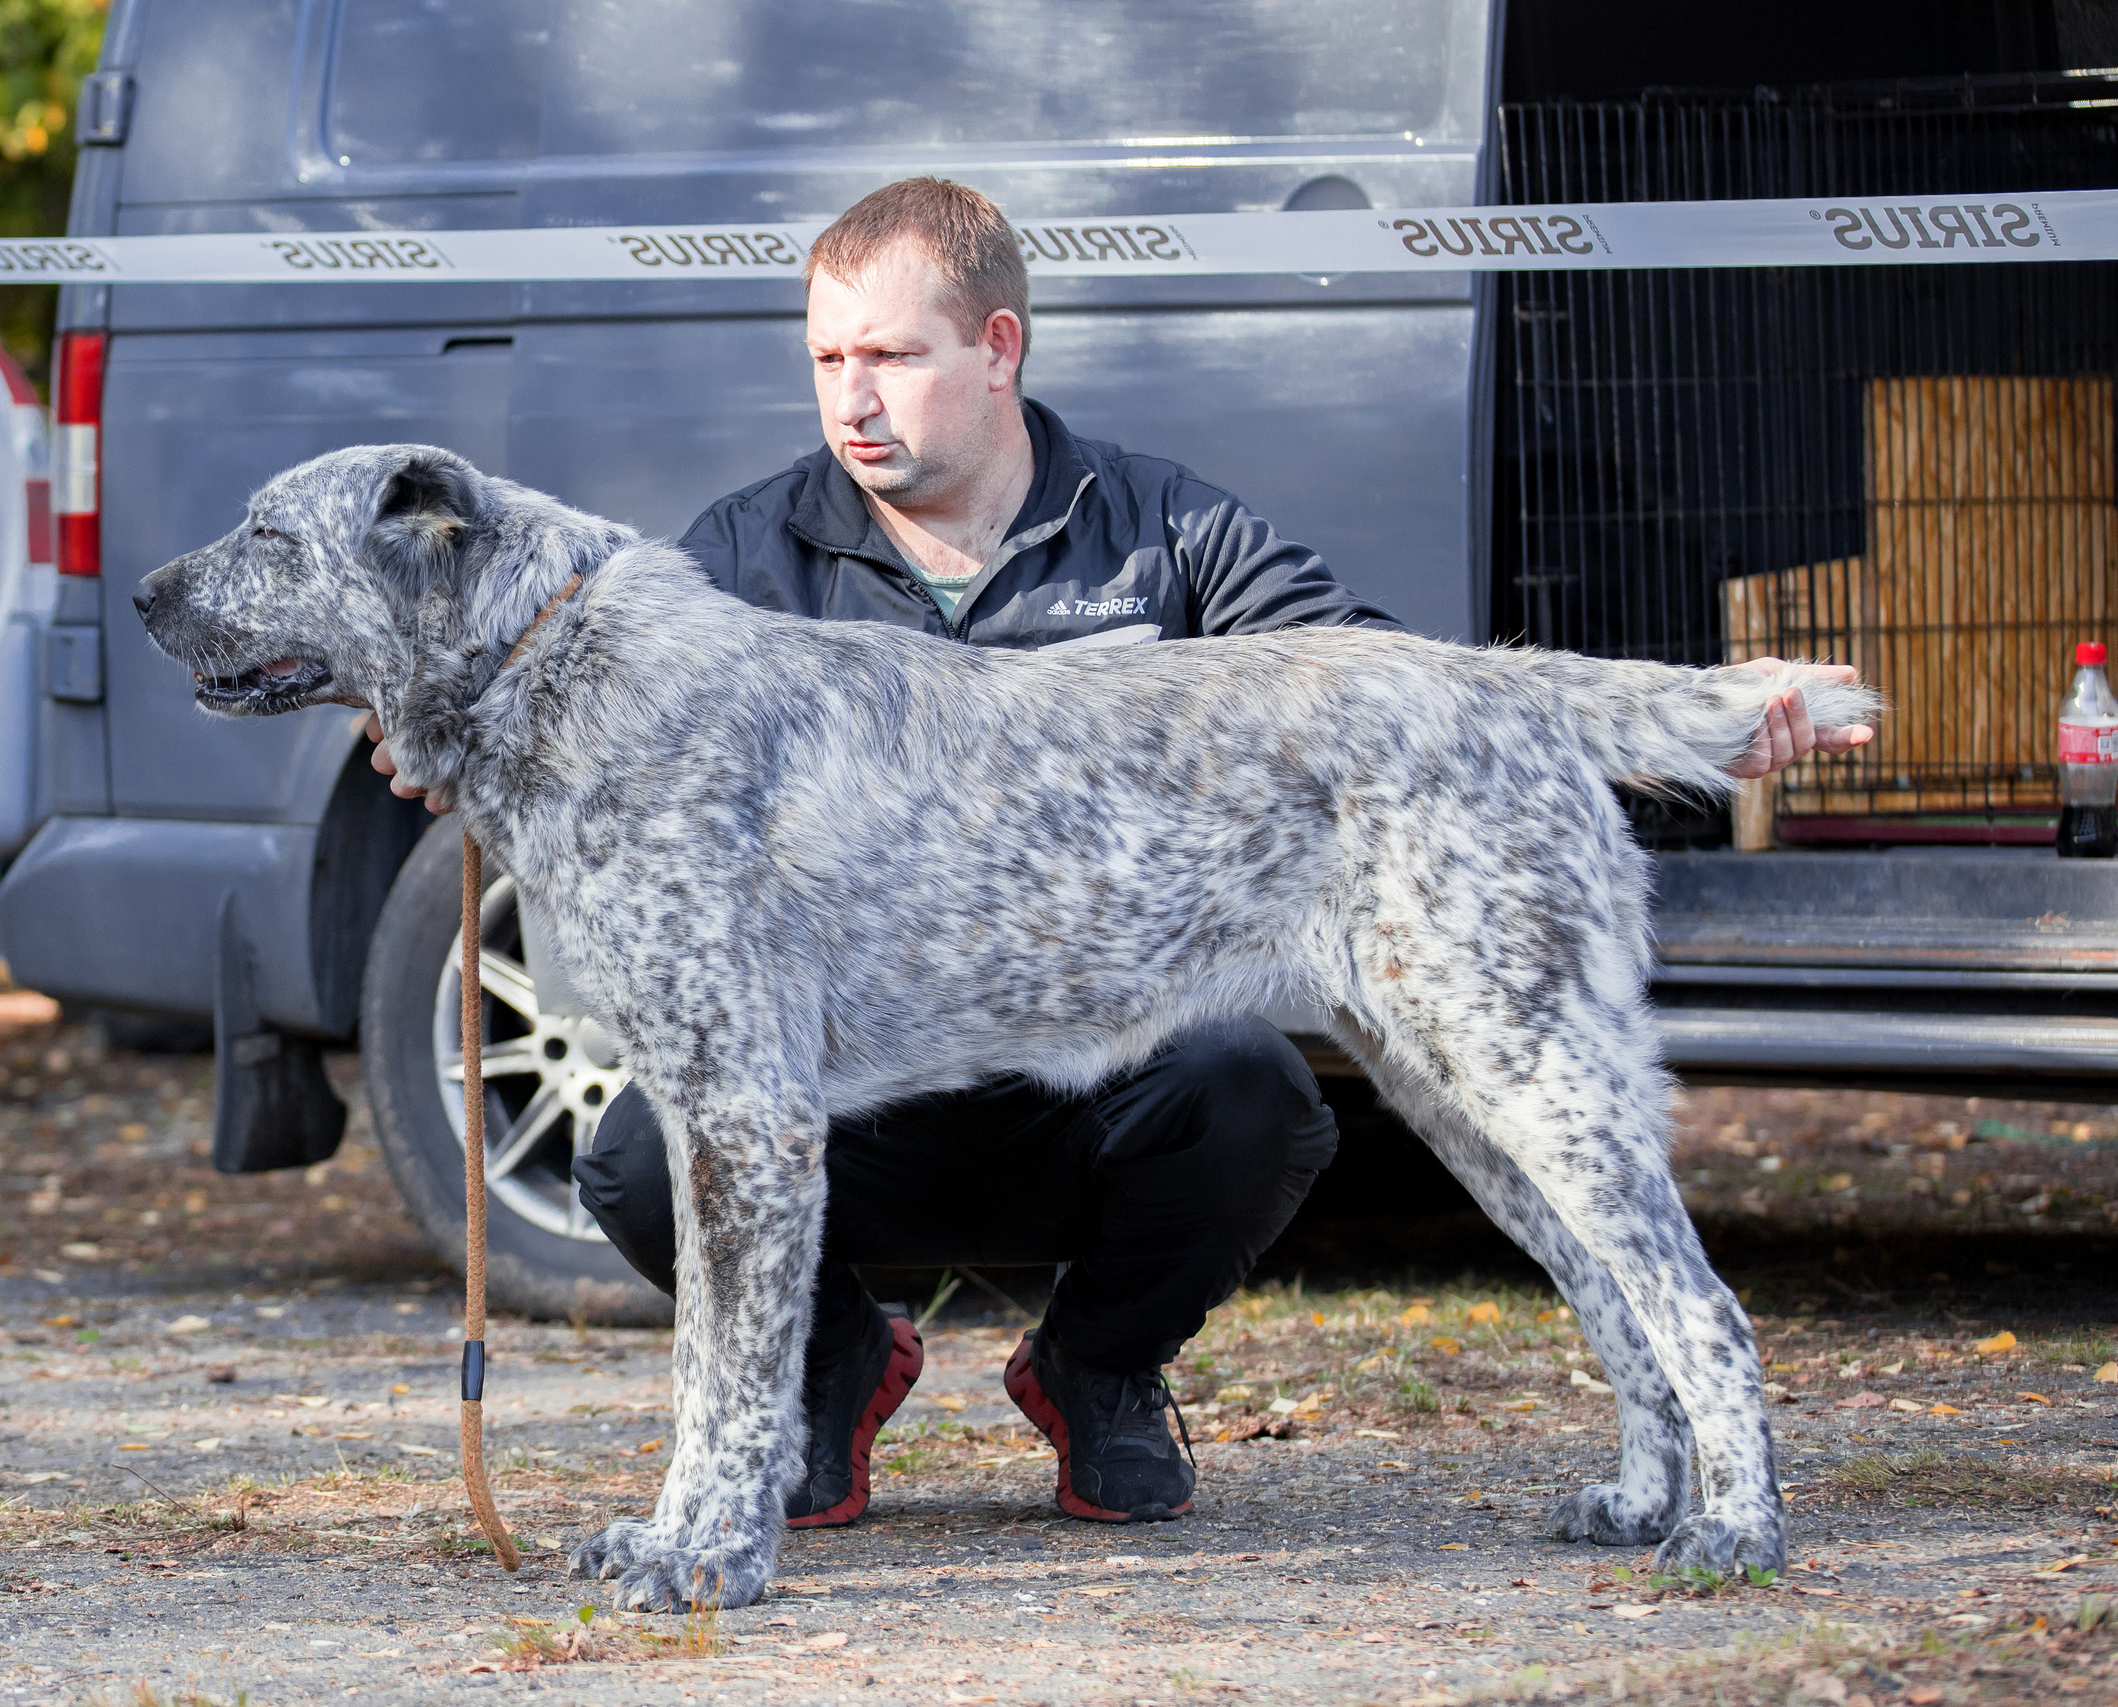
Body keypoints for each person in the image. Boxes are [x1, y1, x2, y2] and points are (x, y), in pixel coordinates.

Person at [371, 178, 1873, 1530]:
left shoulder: (1160, 523)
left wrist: (1669, 720)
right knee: (648, 1148)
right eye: (827, 359)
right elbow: (610, 748)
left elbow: (1358, 680)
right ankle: (827, 1382)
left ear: (1000, 349)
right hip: (862, 1092)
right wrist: (462, 745)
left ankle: (1139, 1377)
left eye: (891, 355)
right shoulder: (739, 557)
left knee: (1493, 1129)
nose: (854, 399)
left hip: (1108, 1083)